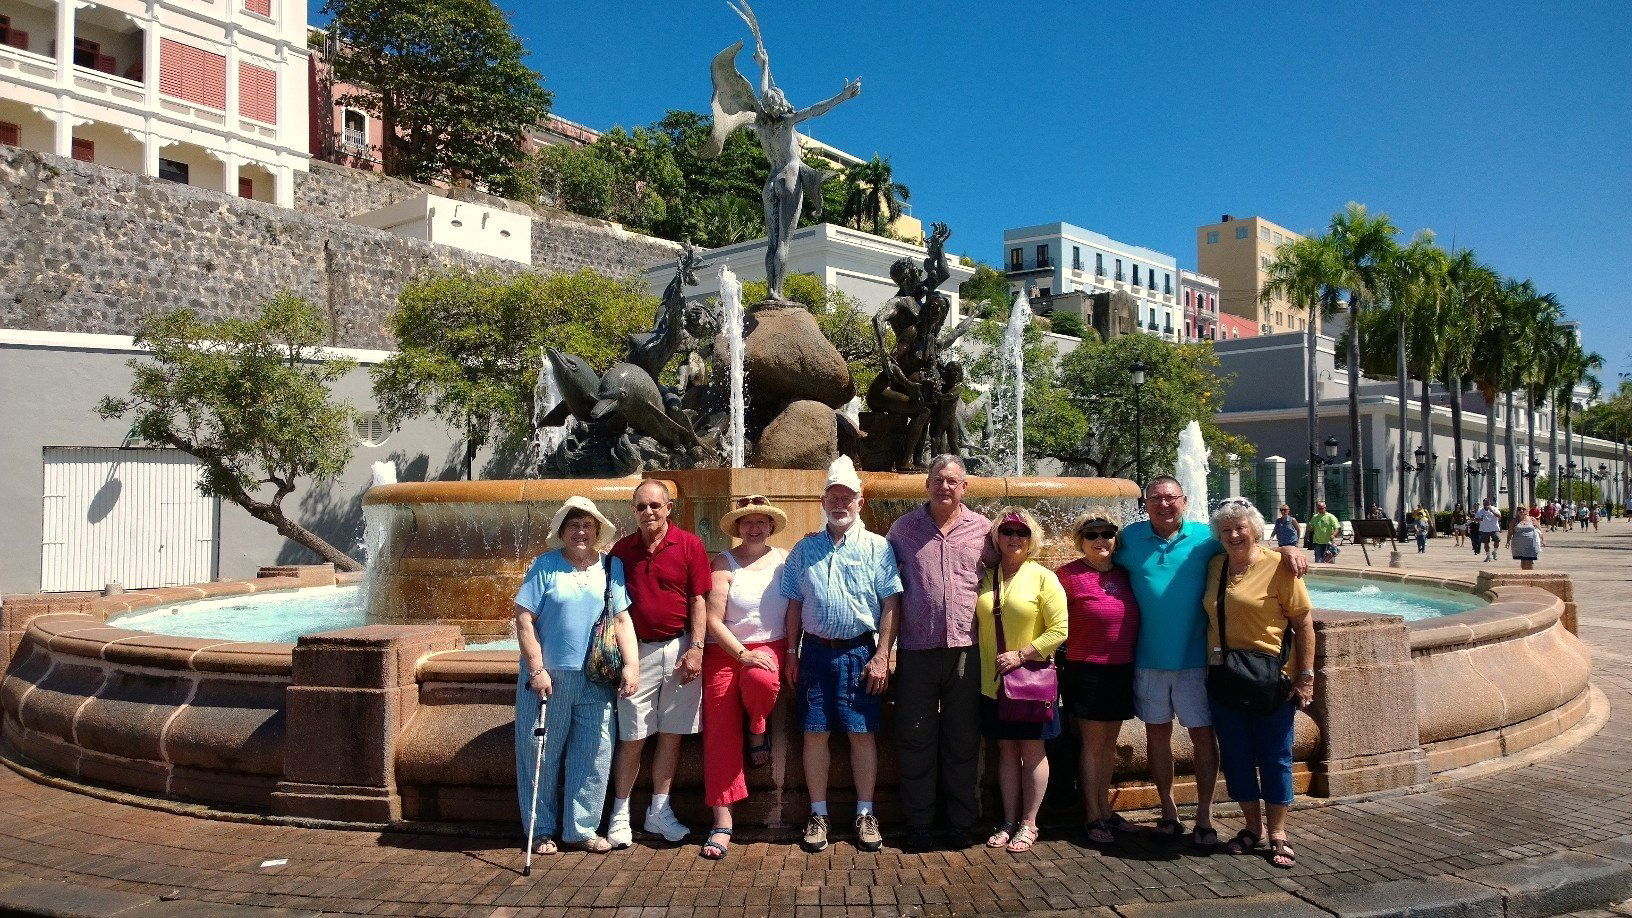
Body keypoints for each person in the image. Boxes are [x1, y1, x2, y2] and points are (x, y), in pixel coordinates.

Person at [1116, 476, 1309, 848]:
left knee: (1203, 737)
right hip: (1148, 659)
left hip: (1198, 663)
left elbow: (1246, 539)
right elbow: (1096, 552)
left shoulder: (1206, 537)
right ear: (1145, 502)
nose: (1164, 504)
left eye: (1171, 497)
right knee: (1158, 738)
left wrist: (1286, 548)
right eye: (1155, 498)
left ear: (1185, 501)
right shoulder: (1130, 539)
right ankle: (1169, 812)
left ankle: (1204, 815)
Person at [782, 455, 903, 853]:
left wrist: (883, 654)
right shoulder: (804, 549)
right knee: (815, 733)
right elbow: (795, 605)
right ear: (823, 501)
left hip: (859, 653)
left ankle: (865, 813)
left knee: (861, 734)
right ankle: (819, 813)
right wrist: (790, 652)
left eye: (847, 497)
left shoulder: (878, 548)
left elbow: (890, 604)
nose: (840, 503)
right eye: (833, 496)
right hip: (815, 653)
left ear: (860, 501)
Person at [514, 497, 639, 855]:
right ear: (562, 531)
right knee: (540, 752)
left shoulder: (610, 567)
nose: (580, 532)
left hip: (597, 676)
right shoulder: (546, 565)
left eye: (587, 525)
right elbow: (524, 619)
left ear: (597, 531)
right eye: (573, 525)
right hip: (549, 677)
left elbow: (621, 619)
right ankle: (541, 830)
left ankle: (581, 829)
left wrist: (631, 665)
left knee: (595, 752)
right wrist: (536, 668)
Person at [885, 454, 992, 852]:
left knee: (963, 738)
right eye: (937, 480)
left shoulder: (983, 529)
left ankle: (962, 820)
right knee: (915, 738)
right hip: (916, 648)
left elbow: (1002, 575)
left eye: (952, 481)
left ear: (964, 487)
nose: (944, 487)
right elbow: (889, 590)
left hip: (967, 648)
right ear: (926, 484)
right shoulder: (903, 529)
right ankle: (918, 821)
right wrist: (886, 650)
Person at [1205, 499, 1315, 870]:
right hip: (1224, 676)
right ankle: (1251, 827)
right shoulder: (1216, 565)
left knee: (1276, 757)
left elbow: (1303, 624)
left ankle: (1278, 833)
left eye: (1241, 528)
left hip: (1270, 678)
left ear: (1255, 529)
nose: (1234, 535)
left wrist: (1306, 676)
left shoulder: (1278, 566)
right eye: (1226, 529)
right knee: (1236, 757)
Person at [607, 480, 714, 847]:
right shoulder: (621, 551)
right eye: (641, 507)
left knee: (671, 735)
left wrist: (697, 647)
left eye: (655, 505)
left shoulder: (689, 545)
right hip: (638, 653)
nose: (649, 512)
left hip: (681, 648)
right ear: (634, 511)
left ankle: (658, 812)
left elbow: (698, 600)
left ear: (669, 508)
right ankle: (620, 814)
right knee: (633, 736)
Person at [698, 495, 791, 860]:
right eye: (747, 522)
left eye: (761, 521)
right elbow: (713, 618)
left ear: (770, 526)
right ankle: (722, 822)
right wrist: (741, 652)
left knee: (761, 680)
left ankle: (757, 726)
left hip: (770, 645)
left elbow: (799, 603)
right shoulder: (724, 562)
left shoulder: (786, 560)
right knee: (719, 727)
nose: (754, 527)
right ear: (738, 527)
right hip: (725, 649)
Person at [975, 507, 1068, 855]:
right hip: (992, 684)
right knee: (1006, 752)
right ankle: (1008, 820)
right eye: (1008, 531)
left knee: (1032, 751)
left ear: (1032, 539)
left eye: (1022, 532)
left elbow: (1060, 630)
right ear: (997, 536)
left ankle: (1029, 822)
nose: (1015, 538)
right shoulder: (987, 577)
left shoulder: (1044, 577)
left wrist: (1022, 654)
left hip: (1029, 682)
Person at [1057, 507, 1139, 845]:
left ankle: (1105, 809)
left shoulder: (1125, 573)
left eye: (1106, 533)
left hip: (1122, 668)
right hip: (1085, 668)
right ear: (1080, 541)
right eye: (1091, 534)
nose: (1100, 540)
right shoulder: (1067, 575)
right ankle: (1092, 815)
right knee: (1092, 744)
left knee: (1108, 744)